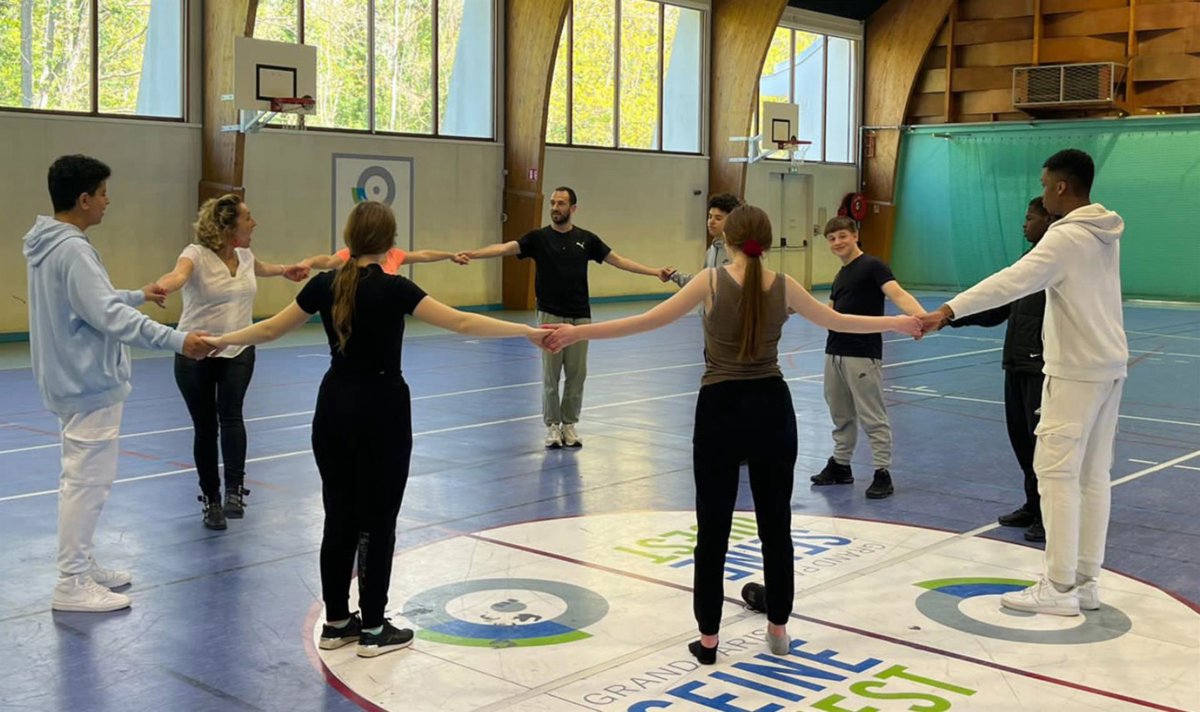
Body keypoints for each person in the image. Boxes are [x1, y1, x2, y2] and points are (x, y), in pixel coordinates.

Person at [543, 205, 921, 664]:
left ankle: (708, 640)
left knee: (713, 529)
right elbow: (838, 320)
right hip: (772, 408)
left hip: (720, 409)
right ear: (768, 241)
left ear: (728, 241)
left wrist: (576, 333)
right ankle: (778, 628)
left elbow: (646, 321)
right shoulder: (784, 284)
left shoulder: (710, 281)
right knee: (775, 526)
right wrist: (898, 322)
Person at [200, 201, 551, 658]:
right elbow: (462, 321)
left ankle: (336, 623)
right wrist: (525, 332)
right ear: (389, 243)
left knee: (338, 516)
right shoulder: (395, 288)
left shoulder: (324, 284)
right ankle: (373, 627)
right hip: (382, 408)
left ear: (349, 239)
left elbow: (268, 330)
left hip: (333, 407)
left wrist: (220, 340)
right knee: (379, 519)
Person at [920, 148, 1127, 617]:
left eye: (1044, 184)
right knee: (1094, 477)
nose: (1042, 193)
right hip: (1109, 368)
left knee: (1056, 476)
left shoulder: (1065, 236)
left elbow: (1010, 281)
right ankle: (1085, 582)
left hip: (1074, 371)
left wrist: (947, 310)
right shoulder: (1105, 231)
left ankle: (1059, 587)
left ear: (1060, 186)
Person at [23, 155, 211, 613]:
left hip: (70, 380)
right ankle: (71, 581)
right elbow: (108, 316)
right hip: (87, 383)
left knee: (80, 479)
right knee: (87, 483)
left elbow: (90, 302)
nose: (108, 201)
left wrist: (138, 295)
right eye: (103, 194)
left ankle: (80, 563)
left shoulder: (50, 244)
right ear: (83, 199)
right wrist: (177, 339)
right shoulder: (73, 249)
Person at [454, 186, 675, 449]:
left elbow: (619, 260)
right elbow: (505, 248)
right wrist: (473, 254)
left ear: (573, 208)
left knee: (576, 374)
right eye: (552, 203)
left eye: (561, 203)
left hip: (580, 316)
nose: (555, 208)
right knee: (551, 375)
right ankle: (552, 426)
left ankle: (569, 424)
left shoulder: (587, 239)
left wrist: (654, 272)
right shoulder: (538, 238)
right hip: (549, 314)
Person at [153, 194, 310, 530]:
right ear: (228, 225)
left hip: (238, 351)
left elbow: (261, 267)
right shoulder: (195, 254)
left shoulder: (245, 255)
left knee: (232, 415)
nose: (254, 223)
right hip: (195, 353)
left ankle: (235, 491)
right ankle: (211, 499)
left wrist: (286, 270)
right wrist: (161, 288)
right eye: (248, 217)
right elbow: (178, 275)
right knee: (205, 427)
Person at [941, 197, 1057, 543]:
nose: (1024, 224)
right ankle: (1033, 504)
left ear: (1048, 220)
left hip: (1042, 368)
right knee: (1021, 440)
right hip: (1016, 364)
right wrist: (951, 317)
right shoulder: (1027, 263)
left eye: (1030, 218)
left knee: (1042, 444)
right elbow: (996, 307)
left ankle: (1050, 514)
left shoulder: (1058, 265)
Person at [811, 217, 926, 499]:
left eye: (842, 236)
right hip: (834, 352)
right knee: (840, 414)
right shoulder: (841, 275)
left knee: (872, 415)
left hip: (862, 354)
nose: (837, 242)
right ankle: (840, 465)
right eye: (832, 238)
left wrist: (923, 318)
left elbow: (897, 293)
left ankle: (881, 472)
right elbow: (830, 312)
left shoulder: (873, 266)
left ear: (854, 235)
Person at [669, 193, 742, 289]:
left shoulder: (739, 253)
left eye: (718, 218)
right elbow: (703, 283)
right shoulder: (711, 251)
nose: (711, 221)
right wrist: (674, 276)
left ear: (732, 221)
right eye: (710, 217)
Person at [298, 242, 467, 276]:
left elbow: (424, 255)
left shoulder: (394, 255)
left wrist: (450, 255)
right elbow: (328, 261)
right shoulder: (353, 254)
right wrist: (308, 262)